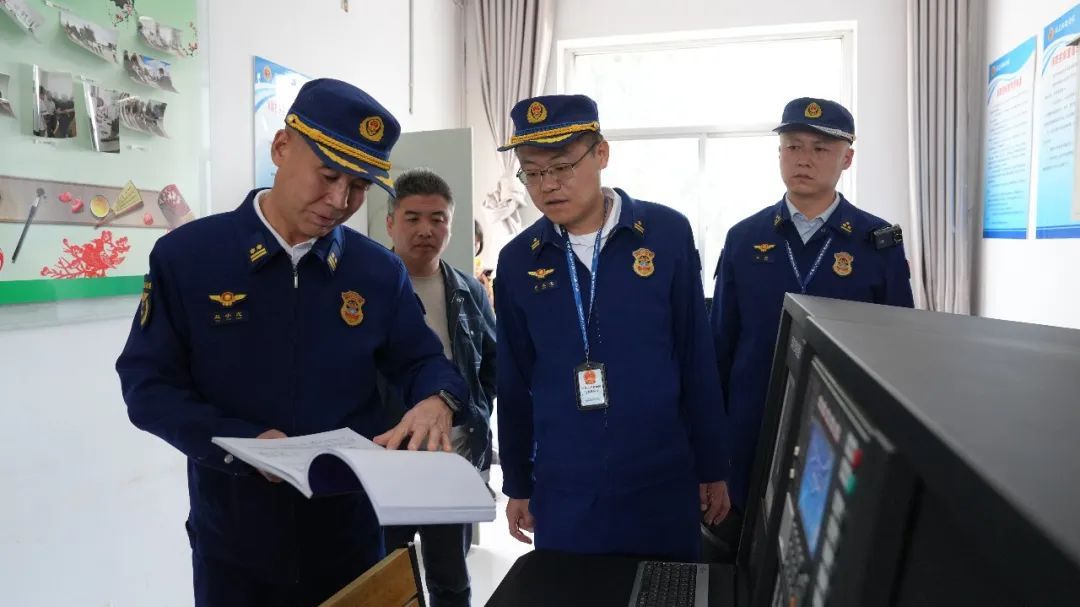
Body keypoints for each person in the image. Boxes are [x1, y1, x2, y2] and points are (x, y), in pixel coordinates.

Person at [115, 78, 470, 606]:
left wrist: (438, 398)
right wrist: (242, 442)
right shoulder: (190, 257)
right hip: (235, 539)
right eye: (328, 176)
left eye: (359, 186)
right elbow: (148, 386)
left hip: (349, 534)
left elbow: (420, 359)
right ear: (281, 148)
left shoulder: (376, 271)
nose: (340, 201)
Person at [494, 94, 731, 561]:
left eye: (562, 167)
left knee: (668, 589)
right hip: (566, 488)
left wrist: (713, 464)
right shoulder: (518, 260)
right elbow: (514, 380)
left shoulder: (665, 234)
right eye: (532, 173)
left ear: (601, 153)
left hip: (661, 480)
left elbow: (695, 356)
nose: (548, 185)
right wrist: (518, 482)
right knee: (573, 591)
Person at [710, 97, 915, 512]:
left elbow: (898, 353)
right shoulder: (744, 238)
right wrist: (712, 450)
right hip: (751, 424)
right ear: (779, 154)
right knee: (745, 530)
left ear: (847, 159)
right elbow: (719, 347)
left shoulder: (875, 242)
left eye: (820, 149)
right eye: (793, 146)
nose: (804, 159)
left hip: (840, 425)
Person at [380, 168, 496, 607]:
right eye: (412, 218)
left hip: (450, 458)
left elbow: (491, 367)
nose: (426, 230)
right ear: (390, 223)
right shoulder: (366, 288)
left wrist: (472, 417)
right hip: (384, 458)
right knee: (384, 578)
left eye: (438, 219)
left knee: (450, 577)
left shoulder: (469, 290)